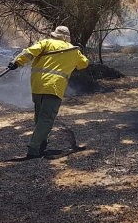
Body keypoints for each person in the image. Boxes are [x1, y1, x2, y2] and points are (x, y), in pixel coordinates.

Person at [7, 26, 89, 158]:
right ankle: (33, 148)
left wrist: (16, 62)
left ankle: (41, 145)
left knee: (40, 117)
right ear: (67, 38)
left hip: (37, 85)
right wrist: (80, 52)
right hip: (54, 87)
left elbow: (29, 52)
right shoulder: (73, 50)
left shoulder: (46, 43)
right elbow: (84, 64)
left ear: (55, 35)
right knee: (46, 118)